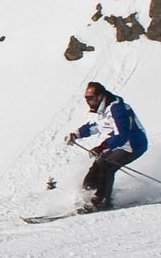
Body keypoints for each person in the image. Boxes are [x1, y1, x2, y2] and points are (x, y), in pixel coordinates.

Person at [62, 81, 147, 212]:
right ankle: (84, 197)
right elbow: (95, 126)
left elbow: (122, 135)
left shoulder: (117, 109)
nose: (87, 101)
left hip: (133, 145)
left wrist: (102, 147)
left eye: (90, 98)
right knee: (96, 166)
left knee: (106, 167)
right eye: (86, 98)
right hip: (117, 144)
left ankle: (101, 201)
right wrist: (76, 134)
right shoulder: (102, 109)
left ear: (100, 96)